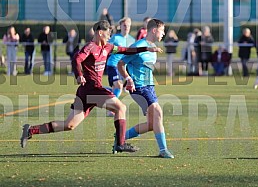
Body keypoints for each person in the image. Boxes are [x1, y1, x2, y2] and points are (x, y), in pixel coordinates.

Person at [20, 20, 162, 151]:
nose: (109, 36)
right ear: (100, 32)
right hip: (91, 89)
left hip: (86, 92)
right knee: (121, 107)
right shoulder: (90, 47)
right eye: (108, 33)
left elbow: (126, 50)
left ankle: (31, 130)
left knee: (70, 125)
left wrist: (146, 49)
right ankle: (120, 144)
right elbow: (77, 58)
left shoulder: (107, 47)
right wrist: (78, 75)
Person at [117, 19, 174, 158]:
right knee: (158, 112)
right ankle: (163, 150)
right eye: (162, 30)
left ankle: (119, 138)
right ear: (154, 30)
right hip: (138, 87)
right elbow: (120, 63)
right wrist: (129, 79)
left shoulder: (152, 47)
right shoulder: (138, 46)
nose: (164, 33)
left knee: (151, 124)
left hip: (150, 87)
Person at [106, 17, 135, 116]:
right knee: (119, 85)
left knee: (117, 88)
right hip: (112, 64)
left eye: (128, 25)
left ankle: (102, 90)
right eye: (124, 25)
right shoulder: (115, 38)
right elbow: (107, 49)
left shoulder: (132, 40)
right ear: (121, 26)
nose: (126, 27)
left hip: (123, 67)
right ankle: (112, 109)